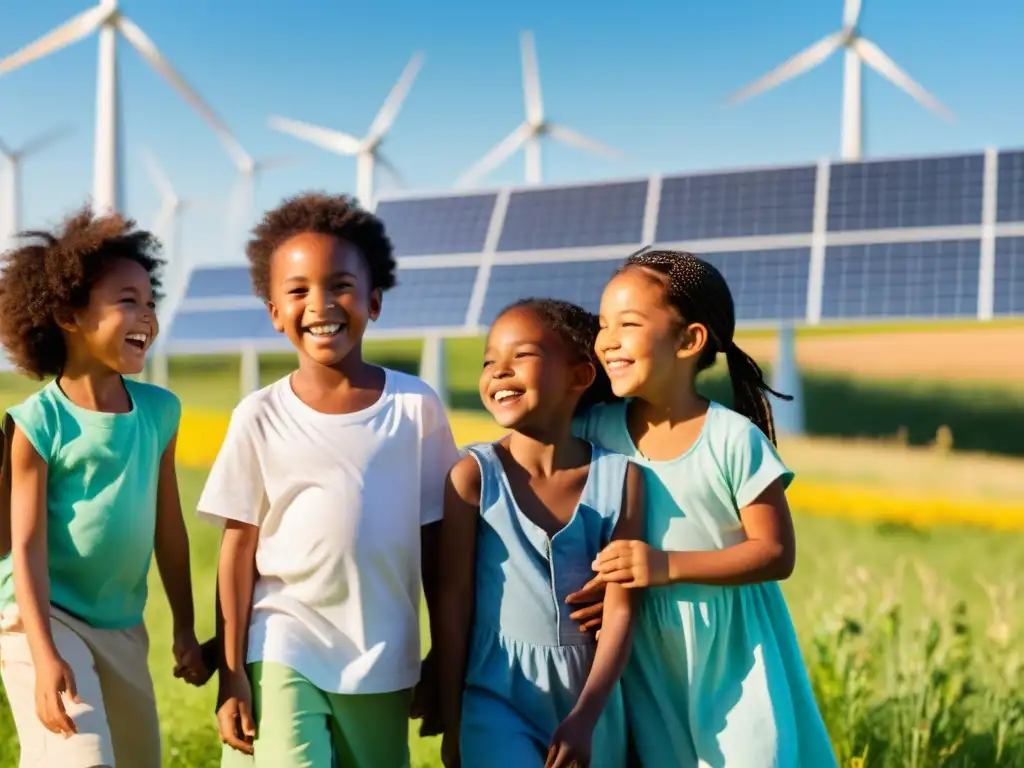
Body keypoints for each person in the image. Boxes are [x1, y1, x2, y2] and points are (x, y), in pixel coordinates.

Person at [199, 192, 459, 768]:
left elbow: (440, 549)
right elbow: (237, 551)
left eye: (340, 285)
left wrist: (444, 661)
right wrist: (233, 673)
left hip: (384, 654)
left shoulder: (416, 408)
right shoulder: (258, 416)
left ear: (375, 300)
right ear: (273, 312)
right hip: (284, 639)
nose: (321, 304)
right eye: (298, 291)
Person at [572, 248, 837, 767]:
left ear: (690, 340)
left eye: (628, 323)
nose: (607, 341)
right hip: (643, 650)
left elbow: (776, 552)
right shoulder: (593, 428)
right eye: (603, 324)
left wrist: (665, 565)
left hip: (731, 653)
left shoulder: (733, 439)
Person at [0, 207, 204, 767]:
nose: (147, 316)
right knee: (81, 758)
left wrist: (185, 626)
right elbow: (26, 546)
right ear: (68, 315)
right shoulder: (37, 424)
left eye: (151, 301)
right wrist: (43, 655)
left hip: (121, 623)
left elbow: (170, 528)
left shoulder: (160, 412)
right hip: (43, 616)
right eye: (127, 301)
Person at [439, 298, 644, 768]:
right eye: (489, 361)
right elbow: (452, 605)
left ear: (579, 376)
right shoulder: (472, 476)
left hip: (592, 705)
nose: (499, 371)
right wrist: (453, 722)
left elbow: (620, 610)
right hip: (496, 696)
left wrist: (587, 717)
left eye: (521, 356)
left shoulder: (622, 479)